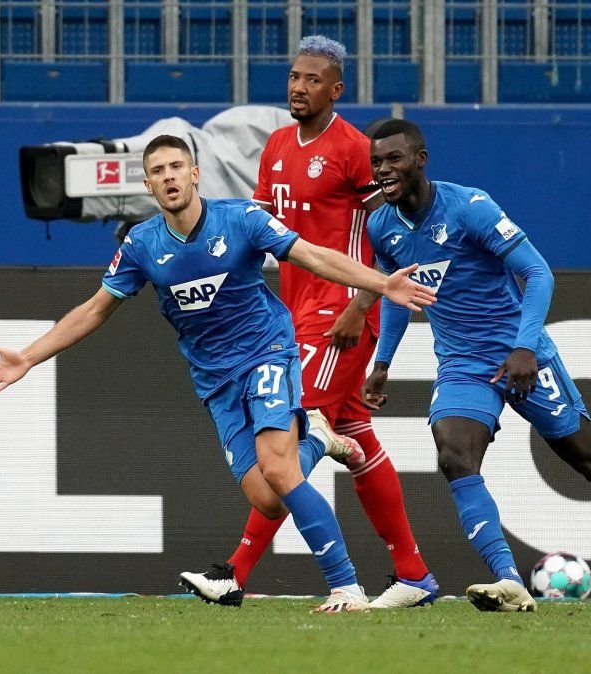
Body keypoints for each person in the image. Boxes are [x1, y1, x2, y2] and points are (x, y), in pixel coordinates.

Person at [0, 134, 436, 614]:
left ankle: (345, 588)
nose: (169, 176)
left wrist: (382, 284)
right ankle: (318, 437)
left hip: (267, 353)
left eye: (177, 166)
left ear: (195, 174)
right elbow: (94, 310)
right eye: (158, 171)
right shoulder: (142, 244)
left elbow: (315, 255)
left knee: (279, 468)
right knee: (268, 498)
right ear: (148, 185)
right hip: (215, 380)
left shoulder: (242, 219)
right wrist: (28, 357)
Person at [361, 119, 591, 612]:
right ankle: (509, 581)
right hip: (462, 365)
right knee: (455, 456)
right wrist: (383, 361)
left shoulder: (469, 207)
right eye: (376, 162)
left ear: (420, 159)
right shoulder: (381, 226)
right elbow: (399, 294)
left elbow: (538, 272)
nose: (383, 170)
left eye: (393, 159)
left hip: (521, 355)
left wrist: (524, 346)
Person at [180, 35, 438, 610]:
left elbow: (387, 233)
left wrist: (360, 304)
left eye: (312, 80)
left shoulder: (354, 149)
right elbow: (257, 228)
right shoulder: (276, 144)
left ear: (335, 89)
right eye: (295, 77)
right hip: (293, 311)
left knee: (293, 439)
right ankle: (414, 574)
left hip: (341, 312)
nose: (299, 87)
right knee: (356, 436)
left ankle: (235, 571)